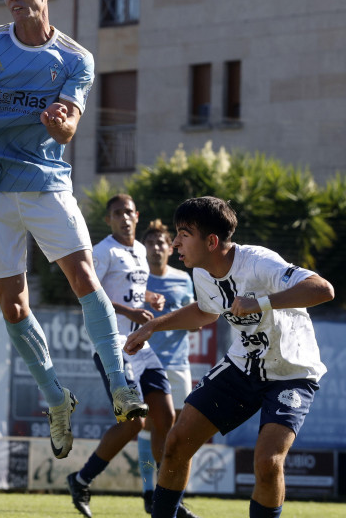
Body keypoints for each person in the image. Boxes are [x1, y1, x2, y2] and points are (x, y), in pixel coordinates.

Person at [0, 0, 147, 460]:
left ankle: (120, 384)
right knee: (13, 305)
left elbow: (68, 132)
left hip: (45, 183)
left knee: (84, 277)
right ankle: (55, 398)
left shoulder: (75, 59)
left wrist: (58, 123)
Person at [125, 196, 335, 518]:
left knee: (267, 463)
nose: (175, 242)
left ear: (211, 241)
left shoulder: (259, 262)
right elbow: (206, 312)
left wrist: (261, 302)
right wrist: (154, 325)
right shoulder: (202, 272)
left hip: (291, 373)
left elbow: (322, 289)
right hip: (243, 367)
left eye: (183, 233)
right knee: (177, 441)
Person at [66, 196, 197, 518]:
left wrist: (148, 297)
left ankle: (164, 500)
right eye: (117, 214)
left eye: (128, 212)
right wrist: (129, 310)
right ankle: (81, 479)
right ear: (109, 220)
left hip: (140, 344)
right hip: (111, 345)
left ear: (137, 216)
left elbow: (131, 291)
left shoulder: (139, 249)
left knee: (165, 418)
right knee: (135, 422)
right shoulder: (102, 251)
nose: (124, 218)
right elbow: (87, 294)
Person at [136, 219, 197, 514]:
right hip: (146, 364)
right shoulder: (137, 279)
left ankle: (172, 493)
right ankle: (151, 490)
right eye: (151, 243)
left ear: (170, 249)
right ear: (143, 248)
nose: (157, 247)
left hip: (178, 362)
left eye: (162, 243)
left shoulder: (183, 279)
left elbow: (194, 314)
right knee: (150, 427)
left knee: (180, 429)